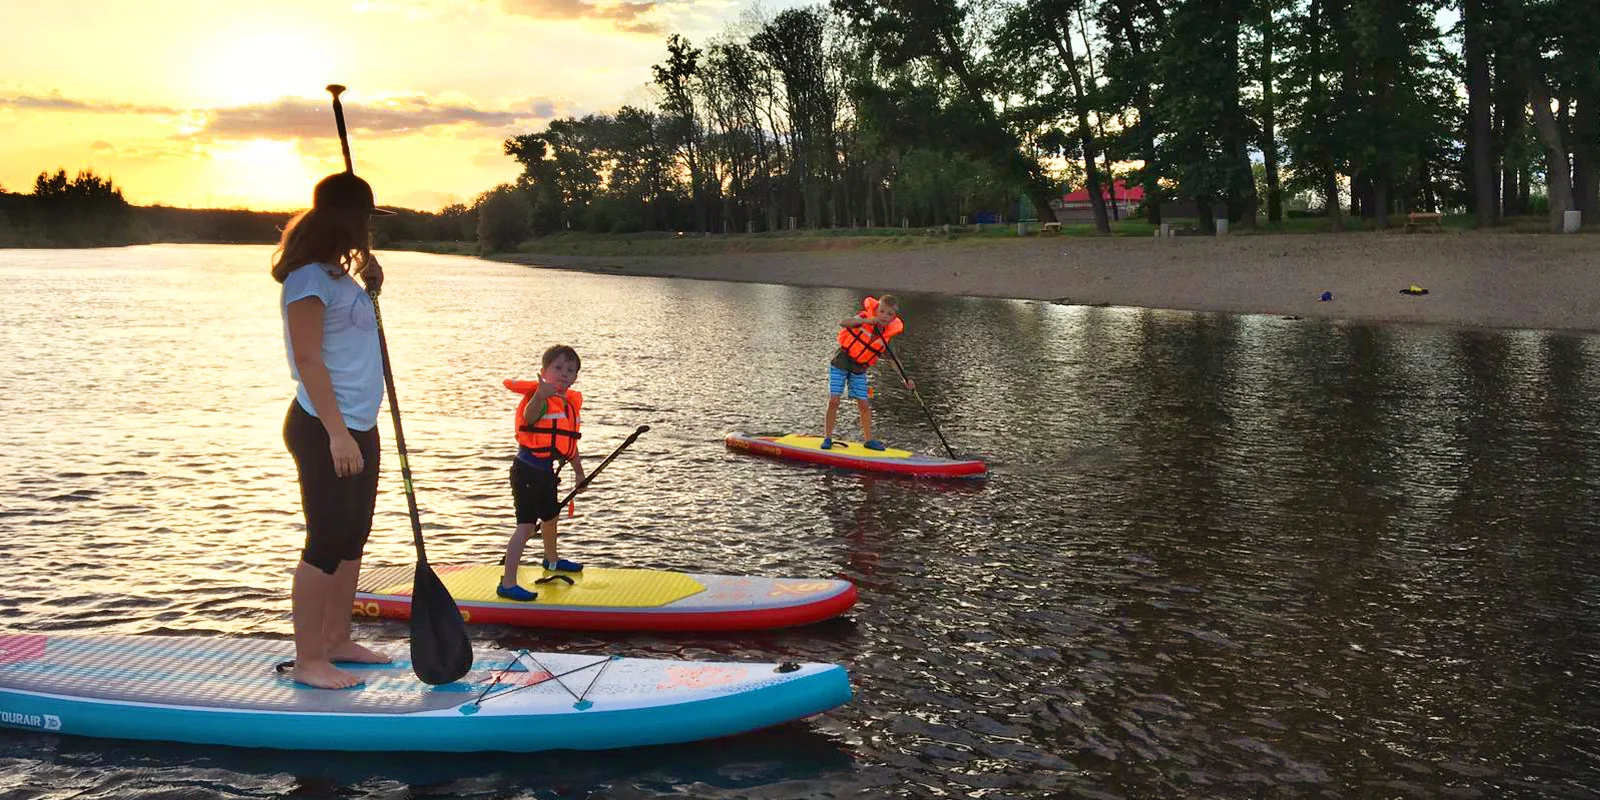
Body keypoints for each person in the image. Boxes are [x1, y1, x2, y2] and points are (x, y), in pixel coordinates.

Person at [275, 172, 395, 689]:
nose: (369, 228)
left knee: (353, 538)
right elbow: (307, 359)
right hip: (326, 427)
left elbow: (351, 345)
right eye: (365, 219)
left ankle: (337, 639)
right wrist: (337, 435)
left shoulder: (338, 277)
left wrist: (371, 284)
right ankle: (309, 661)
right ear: (347, 220)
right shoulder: (308, 279)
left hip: (356, 424)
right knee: (325, 540)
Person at [498, 345, 588, 601]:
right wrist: (539, 395)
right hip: (526, 471)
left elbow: (569, 447)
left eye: (570, 370)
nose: (563, 374)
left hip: (546, 473)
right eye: (557, 368)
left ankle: (551, 561)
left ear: (575, 377)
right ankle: (508, 583)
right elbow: (529, 417)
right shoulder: (539, 398)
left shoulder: (567, 405)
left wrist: (579, 475)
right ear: (543, 371)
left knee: (550, 517)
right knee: (526, 528)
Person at [823, 294, 913, 450]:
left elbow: (894, 361)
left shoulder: (887, 338)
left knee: (864, 405)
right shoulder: (863, 319)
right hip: (841, 363)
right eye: (882, 311)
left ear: (894, 318)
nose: (884, 316)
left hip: (859, 369)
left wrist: (905, 379)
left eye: (889, 314)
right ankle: (828, 438)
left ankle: (868, 440)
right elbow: (843, 323)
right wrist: (866, 321)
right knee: (834, 401)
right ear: (876, 310)